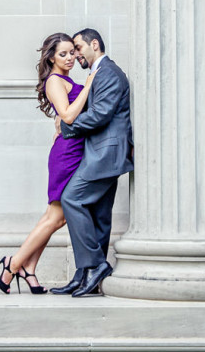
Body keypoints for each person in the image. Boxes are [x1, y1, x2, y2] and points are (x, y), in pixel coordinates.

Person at [0, 32, 96, 295]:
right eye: (63, 54)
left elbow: (64, 118)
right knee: (57, 217)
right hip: (66, 154)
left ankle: (29, 268)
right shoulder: (54, 81)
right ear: (51, 57)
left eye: (72, 52)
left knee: (55, 218)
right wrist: (90, 84)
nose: (71, 57)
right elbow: (69, 115)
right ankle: (12, 265)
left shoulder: (66, 80)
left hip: (73, 150)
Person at [50, 27, 133, 298]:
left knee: (72, 199)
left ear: (94, 44)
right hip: (101, 153)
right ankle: (84, 273)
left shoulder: (108, 72)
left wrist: (66, 127)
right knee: (98, 216)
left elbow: (100, 115)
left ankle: (96, 265)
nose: (75, 53)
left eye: (77, 47)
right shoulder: (98, 73)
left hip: (106, 153)